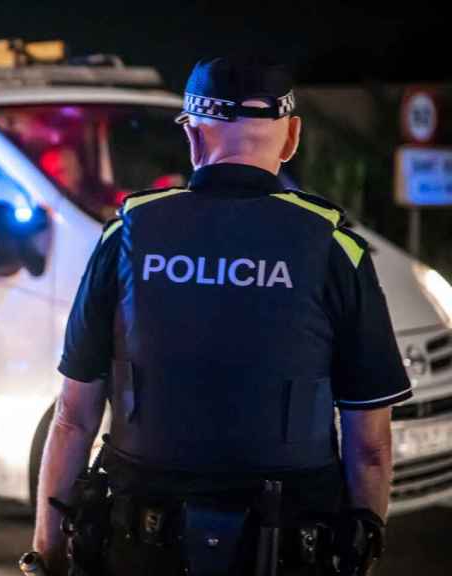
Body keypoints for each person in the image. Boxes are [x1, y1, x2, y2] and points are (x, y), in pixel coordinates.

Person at [32, 57, 412, 575]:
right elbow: (369, 447)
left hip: (139, 542)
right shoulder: (333, 247)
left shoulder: (129, 233)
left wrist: (47, 555)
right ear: (292, 135)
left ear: (193, 137)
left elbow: (73, 418)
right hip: (289, 544)